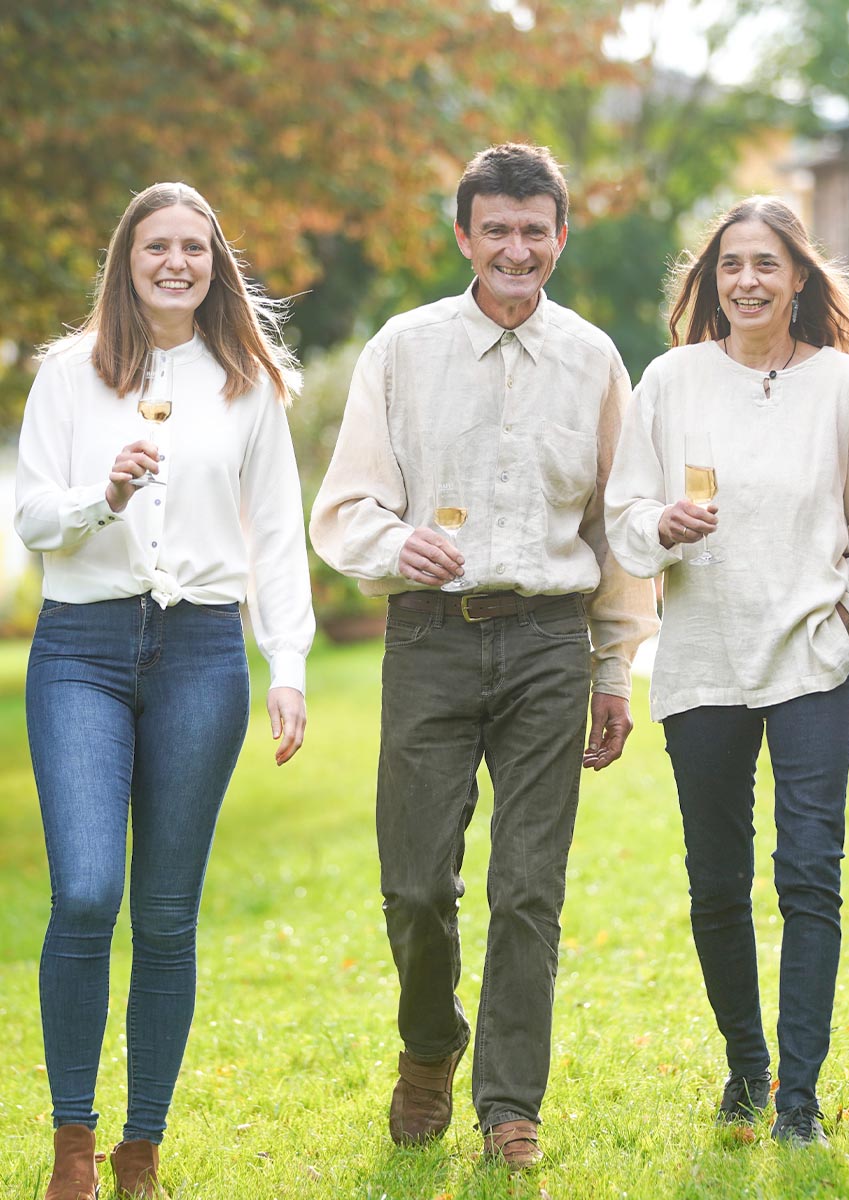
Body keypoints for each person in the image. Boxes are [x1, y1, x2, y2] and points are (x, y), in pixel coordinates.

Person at [309, 142, 658, 1171]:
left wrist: (611, 669)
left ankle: (510, 1101)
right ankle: (429, 1046)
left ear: (559, 238)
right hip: (430, 636)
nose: (516, 248)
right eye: (495, 229)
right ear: (464, 236)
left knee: (528, 888)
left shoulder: (595, 360)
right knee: (416, 883)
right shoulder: (403, 350)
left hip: (550, 641)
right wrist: (390, 543)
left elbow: (616, 528)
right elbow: (344, 506)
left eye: (533, 230)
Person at [16, 182, 314, 1199]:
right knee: (88, 891)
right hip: (81, 653)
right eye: (158, 246)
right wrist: (103, 497)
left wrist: (291, 667)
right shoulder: (68, 374)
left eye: (195, 246)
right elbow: (31, 519)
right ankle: (72, 1144)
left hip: (200, 655)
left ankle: (140, 1149)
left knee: (169, 912)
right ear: (126, 259)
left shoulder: (246, 382)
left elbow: (276, 536)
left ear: (215, 262)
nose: (177, 262)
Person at [605, 196, 849, 1146]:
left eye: (766, 264)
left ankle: (801, 1100)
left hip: (813, 657)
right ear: (710, 280)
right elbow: (624, 515)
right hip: (701, 661)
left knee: (810, 873)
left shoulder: (845, 386)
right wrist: (661, 526)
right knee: (716, 880)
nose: (746, 281)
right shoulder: (669, 380)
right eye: (730, 265)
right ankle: (747, 1068)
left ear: (799, 278)